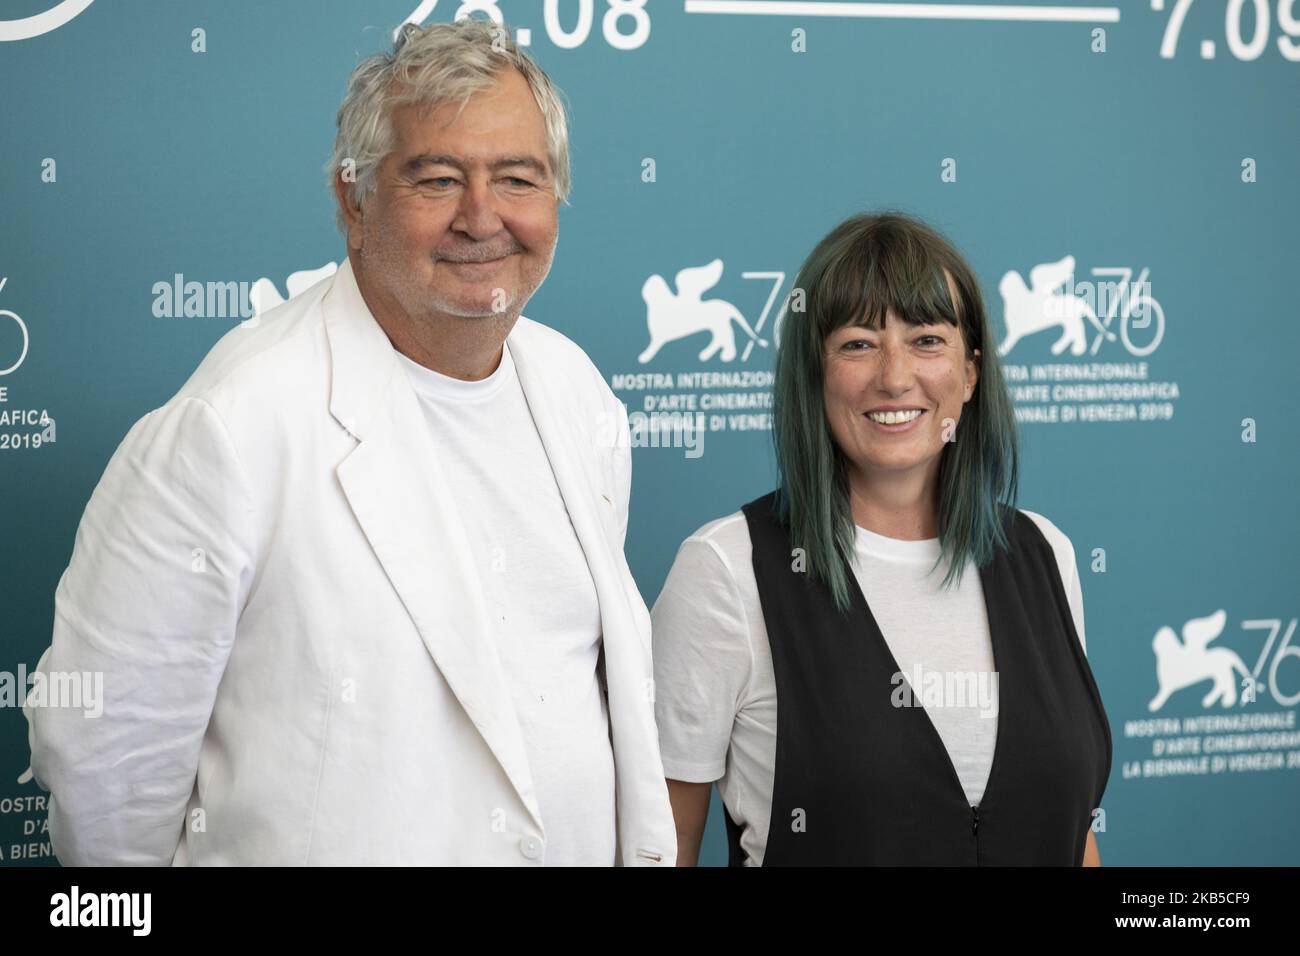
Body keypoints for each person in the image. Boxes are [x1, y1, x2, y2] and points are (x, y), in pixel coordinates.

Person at [23, 19, 675, 867]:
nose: (483, 217)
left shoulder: (575, 389)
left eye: (518, 177)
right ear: (352, 200)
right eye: (437, 179)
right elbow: (103, 773)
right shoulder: (231, 428)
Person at [652, 212, 1111, 866]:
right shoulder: (728, 570)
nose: (895, 378)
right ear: (814, 373)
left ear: (972, 373)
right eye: (859, 343)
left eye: (927, 340)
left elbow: (1073, 836)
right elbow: (659, 846)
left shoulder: (1044, 554)